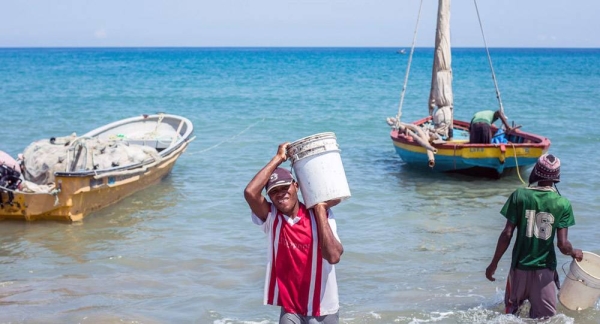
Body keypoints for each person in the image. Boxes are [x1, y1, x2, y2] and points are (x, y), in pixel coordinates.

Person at [244, 142, 344, 324]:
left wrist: (320, 208)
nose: (280, 193)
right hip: (291, 309)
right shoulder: (271, 218)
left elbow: (334, 257)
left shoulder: (320, 215)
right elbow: (250, 192)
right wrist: (279, 158)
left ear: (296, 186)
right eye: (274, 191)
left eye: (284, 187)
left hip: (323, 307)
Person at [485, 154, 583, 319]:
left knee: (511, 315)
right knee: (546, 319)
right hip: (544, 272)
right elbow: (563, 244)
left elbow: (507, 233)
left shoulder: (519, 195)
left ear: (536, 172)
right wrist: (574, 252)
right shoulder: (562, 203)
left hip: (519, 268)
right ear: (556, 177)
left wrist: (493, 264)